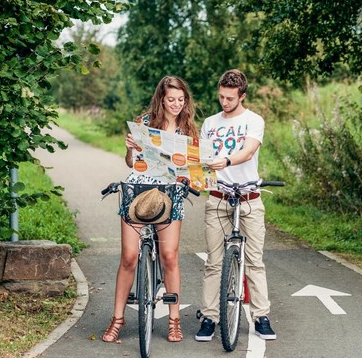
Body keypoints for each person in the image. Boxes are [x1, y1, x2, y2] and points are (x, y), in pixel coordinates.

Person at [102, 75, 199, 343]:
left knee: (169, 255)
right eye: (171, 100)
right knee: (129, 257)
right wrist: (129, 149)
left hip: (170, 193)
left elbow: (192, 169)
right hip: (138, 190)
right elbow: (131, 162)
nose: (176, 104)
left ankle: (174, 321)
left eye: (181, 100)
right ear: (161, 99)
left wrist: (191, 175)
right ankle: (117, 319)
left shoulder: (188, 130)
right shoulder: (145, 123)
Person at [195, 69, 277, 341]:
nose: (224, 102)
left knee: (254, 261)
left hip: (249, 199)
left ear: (242, 95)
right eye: (221, 97)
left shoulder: (254, 120)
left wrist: (227, 161)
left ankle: (261, 316)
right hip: (218, 199)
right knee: (213, 262)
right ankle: (209, 317)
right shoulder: (209, 122)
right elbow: (203, 158)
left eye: (230, 98)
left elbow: (249, 150)